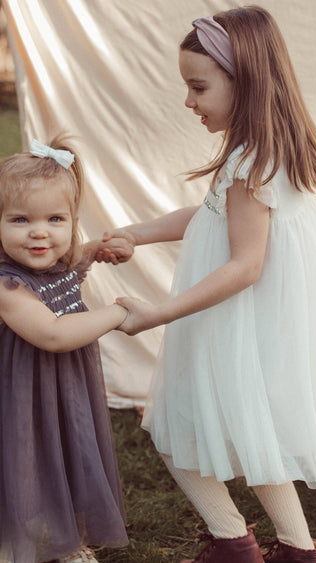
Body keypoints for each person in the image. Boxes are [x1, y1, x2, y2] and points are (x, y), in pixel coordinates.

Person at [101, 6, 316, 562]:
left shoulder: (253, 163)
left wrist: (155, 314)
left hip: (239, 321)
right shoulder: (261, 152)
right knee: (252, 436)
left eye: (198, 87)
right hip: (256, 323)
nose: (189, 101)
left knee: (173, 424)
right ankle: (296, 550)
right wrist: (138, 233)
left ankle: (233, 541)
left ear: (245, 81)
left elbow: (244, 265)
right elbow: (210, 214)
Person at [0, 136, 133, 563]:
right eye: (20, 220)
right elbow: (54, 334)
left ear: (73, 222)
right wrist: (119, 314)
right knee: (22, 464)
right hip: (17, 397)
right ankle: (13, 541)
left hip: (63, 392)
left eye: (55, 219)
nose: (40, 232)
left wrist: (94, 251)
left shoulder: (55, 263)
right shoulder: (8, 284)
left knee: (68, 454)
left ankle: (67, 539)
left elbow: (69, 268)